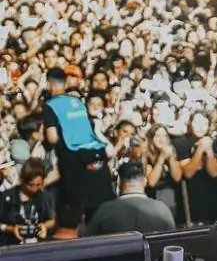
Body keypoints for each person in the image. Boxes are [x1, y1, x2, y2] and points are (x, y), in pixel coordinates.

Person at [41, 67, 116, 223]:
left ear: (48, 84)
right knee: (102, 210)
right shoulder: (77, 102)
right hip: (97, 156)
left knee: (77, 212)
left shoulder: (50, 105)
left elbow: (53, 138)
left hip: (74, 159)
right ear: (65, 82)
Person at [83, 153, 176, 236]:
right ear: (144, 181)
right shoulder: (162, 210)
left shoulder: (104, 210)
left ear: (119, 181)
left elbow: (86, 242)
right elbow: (173, 244)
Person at [0, 158, 55, 245]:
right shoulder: (6, 197)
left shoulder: (45, 197)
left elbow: (52, 220)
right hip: (11, 245)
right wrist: (11, 229)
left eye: (38, 185)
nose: (34, 189)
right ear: (23, 181)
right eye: (31, 185)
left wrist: (44, 226)